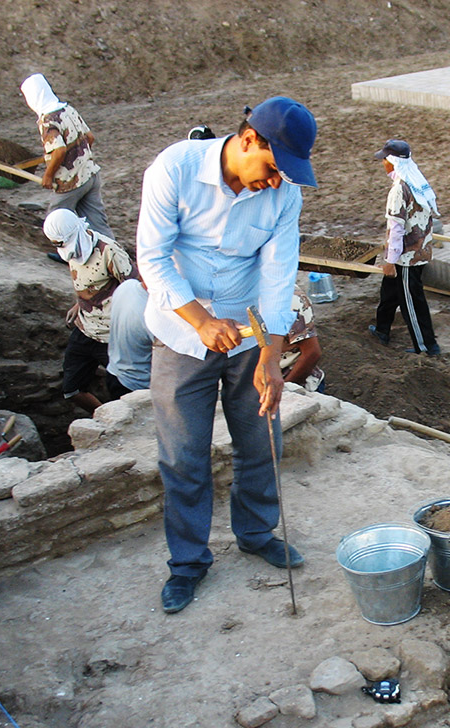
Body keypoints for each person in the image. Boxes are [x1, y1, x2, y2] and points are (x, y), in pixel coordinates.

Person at [137, 96, 317, 615]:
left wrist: (271, 353)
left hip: (248, 331)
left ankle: (257, 533)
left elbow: (279, 276)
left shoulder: (283, 198)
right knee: (184, 455)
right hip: (180, 332)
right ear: (247, 141)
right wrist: (200, 320)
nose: (277, 182)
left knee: (261, 439)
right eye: (274, 168)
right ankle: (188, 563)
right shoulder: (175, 169)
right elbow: (150, 256)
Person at [43, 209, 143, 412]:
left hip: (112, 337)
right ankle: (103, 419)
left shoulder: (109, 251)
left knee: (125, 394)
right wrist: (79, 303)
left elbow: (136, 288)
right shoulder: (73, 250)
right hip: (84, 329)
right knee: (72, 389)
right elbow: (89, 285)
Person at [367, 139, 441, 356]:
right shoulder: (417, 182)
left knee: (412, 303)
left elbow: (397, 228)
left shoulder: (400, 189)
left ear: (392, 161)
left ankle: (426, 347)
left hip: (407, 257)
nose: (383, 164)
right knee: (389, 293)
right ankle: (382, 330)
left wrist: (390, 262)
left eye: (384, 160)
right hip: (420, 251)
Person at [21, 73, 114, 241]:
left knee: (56, 220)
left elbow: (59, 151)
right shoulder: (67, 109)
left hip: (70, 182)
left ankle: (66, 253)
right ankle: (114, 255)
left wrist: (48, 175)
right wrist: (80, 158)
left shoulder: (48, 120)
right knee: (97, 222)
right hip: (90, 173)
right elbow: (90, 137)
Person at [283, 286, 325, 392]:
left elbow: (311, 353)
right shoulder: (239, 297)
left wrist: (286, 391)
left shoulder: (291, 299)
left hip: (292, 380)